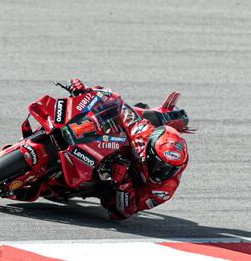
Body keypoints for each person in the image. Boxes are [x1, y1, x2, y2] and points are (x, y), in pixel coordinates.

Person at [66, 78, 190, 220]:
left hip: (118, 186)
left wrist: (124, 182)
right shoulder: (142, 133)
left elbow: (127, 211)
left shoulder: (165, 189)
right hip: (115, 149)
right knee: (112, 117)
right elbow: (118, 104)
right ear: (150, 151)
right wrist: (86, 92)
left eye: (169, 169)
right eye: (159, 165)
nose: (162, 172)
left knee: (116, 211)